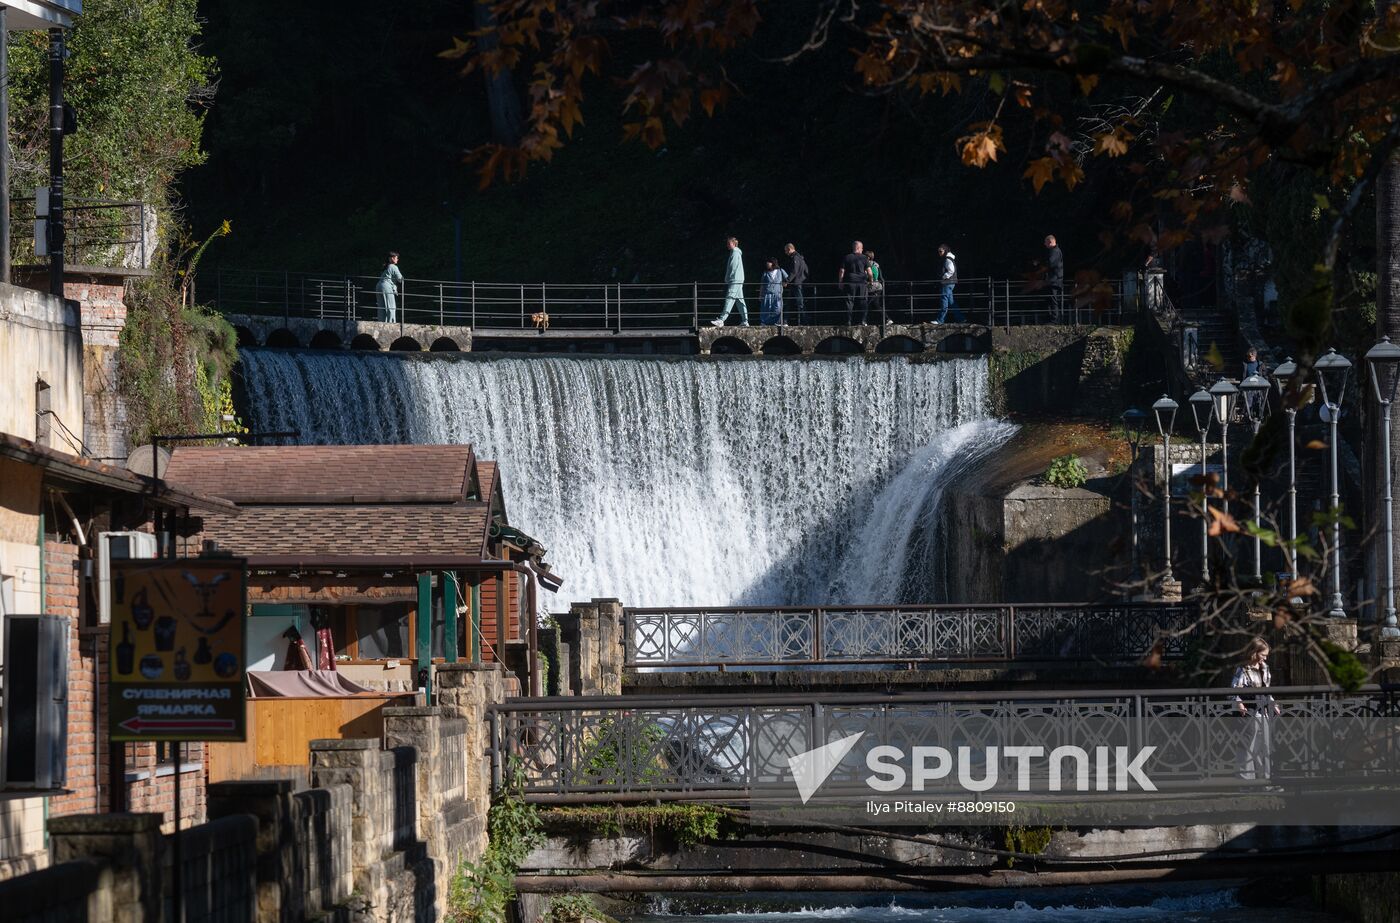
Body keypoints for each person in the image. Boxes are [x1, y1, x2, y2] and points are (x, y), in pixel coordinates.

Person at [1231, 637, 1281, 782]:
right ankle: (1246, 781)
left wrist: (1272, 703)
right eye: (1263, 655)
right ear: (1254, 652)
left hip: (1262, 711)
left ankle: (1265, 780)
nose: (1265, 658)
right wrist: (1239, 703)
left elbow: (1266, 690)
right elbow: (1234, 690)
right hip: (1248, 711)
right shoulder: (1243, 669)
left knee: (1265, 747)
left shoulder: (1265, 668)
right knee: (1247, 747)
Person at [710, 237, 749, 327]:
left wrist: (728, 278)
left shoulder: (735, 252)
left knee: (729, 298)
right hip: (738, 278)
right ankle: (745, 321)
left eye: (729, 243)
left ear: (734, 244)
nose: (727, 245)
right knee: (740, 301)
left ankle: (722, 319)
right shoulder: (735, 252)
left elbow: (733, 266)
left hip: (735, 279)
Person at [838, 240, 870, 325]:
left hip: (850, 282)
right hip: (862, 282)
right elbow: (869, 272)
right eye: (862, 248)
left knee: (849, 301)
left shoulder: (847, 257)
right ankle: (863, 320)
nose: (862, 250)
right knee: (863, 301)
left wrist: (840, 282)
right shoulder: (864, 258)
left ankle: (848, 321)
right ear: (859, 248)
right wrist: (871, 280)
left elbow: (842, 271)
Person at [934, 243, 964, 324]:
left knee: (944, 300)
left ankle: (940, 320)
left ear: (945, 250)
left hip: (947, 282)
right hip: (951, 282)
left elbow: (951, 270)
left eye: (941, 251)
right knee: (951, 302)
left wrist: (944, 277)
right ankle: (961, 319)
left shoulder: (947, 259)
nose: (939, 253)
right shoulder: (949, 258)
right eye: (938, 251)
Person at [783, 243, 809, 325]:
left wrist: (787, 280)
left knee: (798, 303)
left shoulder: (795, 258)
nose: (785, 252)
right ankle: (786, 321)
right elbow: (806, 271)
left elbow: (794, 271)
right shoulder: (801, 258)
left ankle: (804, 322)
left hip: (796, 284)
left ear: (789, 249)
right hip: (798, 283)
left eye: (786, 250)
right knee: (794, 303)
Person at [377, 251, 404, 323]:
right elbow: (400, 279)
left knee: (381, 307)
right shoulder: (393, 267)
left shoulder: (385, 267)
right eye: (396, 258)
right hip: (386, 286)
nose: (397, 259)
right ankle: (391, 323)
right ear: (392, 258)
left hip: (379, 286)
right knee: (391, 306)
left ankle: (381, 323)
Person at [760, 258, 788, 325]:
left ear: (773, 263)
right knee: (766, 308)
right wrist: (760, 294)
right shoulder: (766, 272)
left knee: (777, 308)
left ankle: (777, 322)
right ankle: (764, 322)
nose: (767, 263)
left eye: (769, 262)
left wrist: (785, 283)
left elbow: (787, 278)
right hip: (767, 293)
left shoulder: (780, 270)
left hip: (777, 293)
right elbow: (762, 285)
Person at [1045, 234, 1065, 321]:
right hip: (1055, 279)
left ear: (1049, 242)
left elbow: (1050, 263)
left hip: (1054, 280)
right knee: (1052, 299)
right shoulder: (1056, 251)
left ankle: (1055, 318)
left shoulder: (1055, 251)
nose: (1044, 244)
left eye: (1045, 242)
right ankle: (1053, 317)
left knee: (1053, 299)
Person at [866, 249, 886, 323]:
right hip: (879, 287)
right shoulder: (876, 264)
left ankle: (864, 321)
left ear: (868, 257)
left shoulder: (867, 265)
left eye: (865, 256)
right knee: (875, 305)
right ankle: (887, 319)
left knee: (867, 304)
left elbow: (867, 276)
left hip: (872, 287)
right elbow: (881, 277)